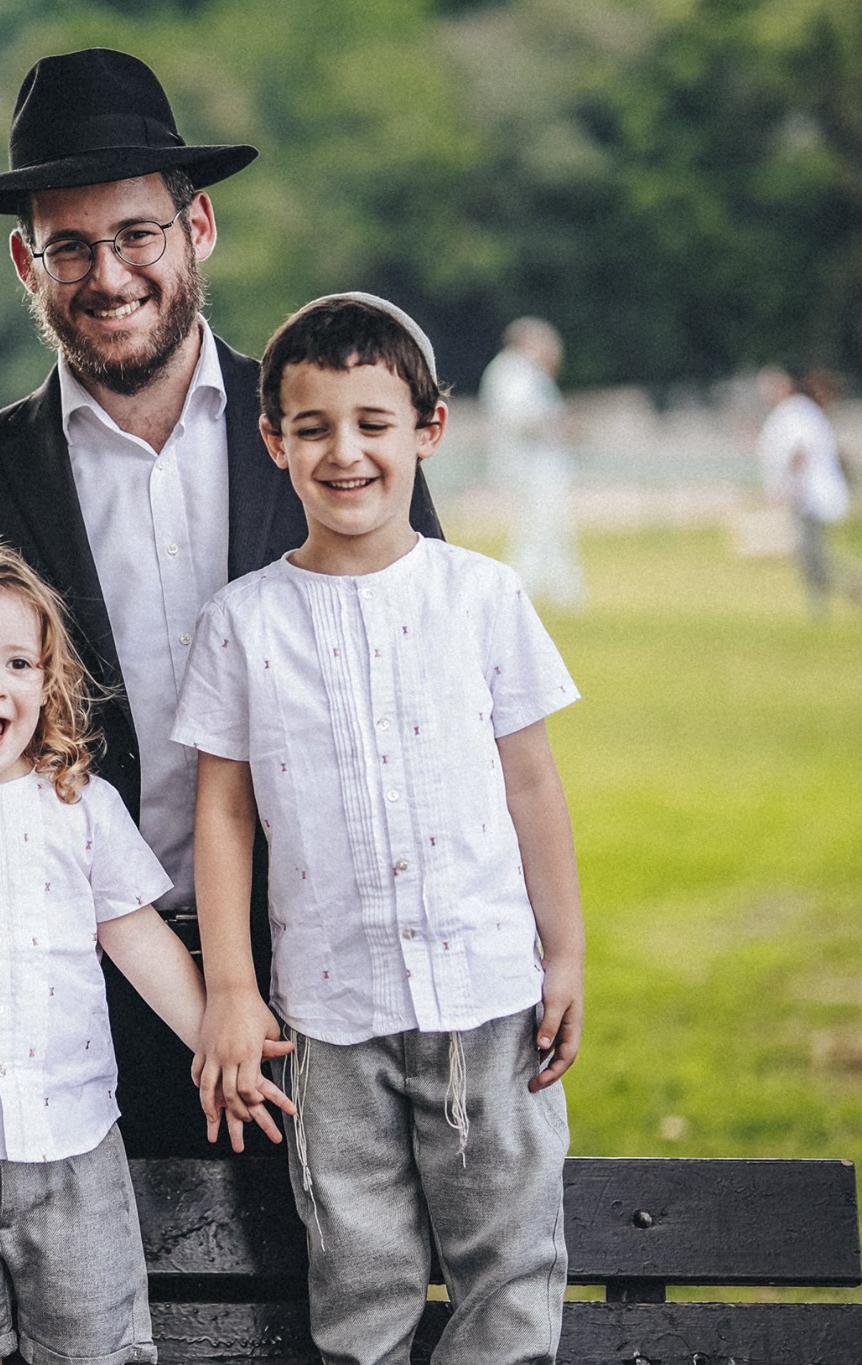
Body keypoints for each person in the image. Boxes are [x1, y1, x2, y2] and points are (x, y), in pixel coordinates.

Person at [0, 47, 441, 1158]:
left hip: (328, 973)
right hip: (56, 992)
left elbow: (428, 704)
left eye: (136, 234)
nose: (108, 274)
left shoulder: (336, 442)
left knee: (330, 1306)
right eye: (69, 247)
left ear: (195, 231)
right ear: (23, 261)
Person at [178, 295, 583, 1363]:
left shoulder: (482, 600)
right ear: (273, 443)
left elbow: (531, 787)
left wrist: (566, 950)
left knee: (508, 1266)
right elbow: (220, 813)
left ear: (427, 432)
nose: (343, 451)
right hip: (329, 1015)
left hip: (488, 1001)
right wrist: (229, 984)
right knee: (357, 1273)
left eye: (372, 422)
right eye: (311, 427)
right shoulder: (242, 623)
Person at [0, 534, 293, 1365]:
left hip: (73, 1152)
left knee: (92, 1348)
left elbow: (138, 938)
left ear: (47, 681)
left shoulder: (80, 809)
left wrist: (216, 1033)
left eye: (17, 664)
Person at [481, 316, 584, 608]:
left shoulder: (520, 372)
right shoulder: (515, 371)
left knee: (549, 530)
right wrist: (558, 426)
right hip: (531, 465)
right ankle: (521, 590)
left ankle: (561, 592)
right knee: (536, 531)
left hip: (537, 464)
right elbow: (519, 418)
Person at [757, 366, 856, 613]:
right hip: (807, 492)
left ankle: (839, 592)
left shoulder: (796, 411)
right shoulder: (797, 412)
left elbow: (799, 451)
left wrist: (791, 486)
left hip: (808, 494)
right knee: (808, 553)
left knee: (809, 552)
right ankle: (821, 602)